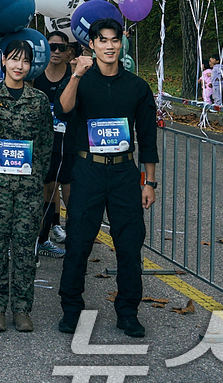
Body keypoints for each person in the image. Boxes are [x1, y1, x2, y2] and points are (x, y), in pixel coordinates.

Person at [57, 18, 159, 338]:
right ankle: (71, 308)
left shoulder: (137, 87)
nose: (109, 46)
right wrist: (76, 73)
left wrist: (150, 182)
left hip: (124, 173)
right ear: (92, 45)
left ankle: (128, 311)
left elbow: (148, 137)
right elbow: (63, 110)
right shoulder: (82, 80)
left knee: (129, 244)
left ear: (121, 43)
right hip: (87, 170)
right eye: (102, 40)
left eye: (114, 40)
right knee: (78, 242)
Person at [0, 38, 53, 332]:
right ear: (4, 61)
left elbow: (45, 142)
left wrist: (37, 176)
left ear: (31, 66)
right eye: (15, 59)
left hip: (29, 188)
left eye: (26, 61)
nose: (20, 66)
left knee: (23, 250)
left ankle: (22, 309)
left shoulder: (39, 100)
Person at [32, 32, 74, 258]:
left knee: (71, 195)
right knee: (45, 192)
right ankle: (41, 240)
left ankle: (76, 242)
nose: (56, 51)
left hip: (68, 144)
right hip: (42, 145)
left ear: (69, 52)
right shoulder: (35, 75)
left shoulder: (73, 75)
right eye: (52, 47)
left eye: (61, 47)